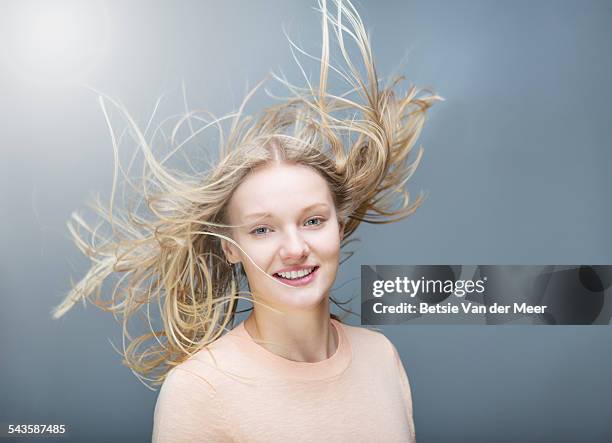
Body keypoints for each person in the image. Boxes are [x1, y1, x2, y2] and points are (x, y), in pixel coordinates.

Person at [51, 0, 440, 441]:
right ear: (229, 245)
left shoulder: (382, 358)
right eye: (262, 229)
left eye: (312, 221)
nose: (294, 248)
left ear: (340, 225)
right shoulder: (199, 391)